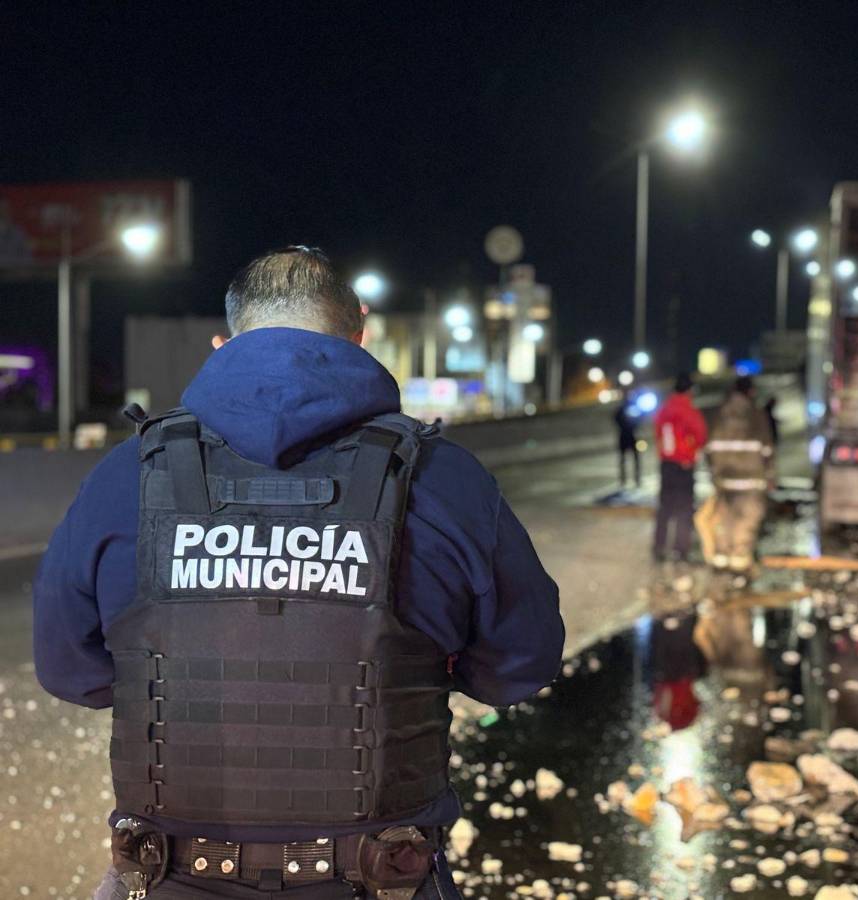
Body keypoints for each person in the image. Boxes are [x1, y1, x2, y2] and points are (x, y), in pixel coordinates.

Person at [33, 246, 565, 900]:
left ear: (223, 344)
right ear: (359, 337)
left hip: (172, 876)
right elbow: (522, 664)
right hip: (380, 878)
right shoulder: (444, 478)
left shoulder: (125, 476)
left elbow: (70, 671)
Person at [701, 376, 774, 575]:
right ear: (750, 392)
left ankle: (721, 557)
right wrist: (769, 476)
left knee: (726, 519)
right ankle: (739, 563)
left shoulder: (718, 414)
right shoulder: (756, 415)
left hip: (724, 479)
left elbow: (708, 449)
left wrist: (714, 474)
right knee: (746, 520)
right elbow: (767, 450)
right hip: (750, 481)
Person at [652, 373, 707, 562]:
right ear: (690, 390)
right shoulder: (689, 411)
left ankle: (659, 548)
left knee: (665, 507)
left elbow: (658, 433)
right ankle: (681, 549)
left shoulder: (664, 410)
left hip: (666, 464)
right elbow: (700, 436)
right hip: (684, 465)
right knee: (684, 508)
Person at [613, 392, 642, 488]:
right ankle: (624, 480)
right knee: (623, 460)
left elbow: (639, 419)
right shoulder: (621, 409)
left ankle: (635, 479)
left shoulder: (633, 408)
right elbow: (616, 419)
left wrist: (633, 426)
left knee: (635, 458)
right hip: (625, 435)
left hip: (631, 435)